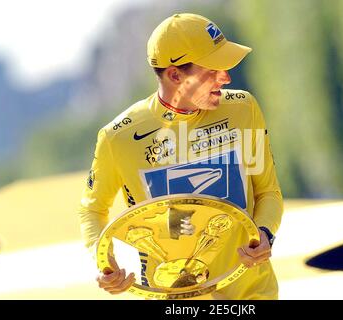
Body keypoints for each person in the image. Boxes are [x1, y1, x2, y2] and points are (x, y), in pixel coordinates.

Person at [78, 13, 284, 299]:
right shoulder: (118, 137)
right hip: (173, 297)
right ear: (176, 75)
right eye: (212, 69)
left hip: (251, 291)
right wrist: (104, 262)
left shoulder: (243, 108)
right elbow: (92, 210)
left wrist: (264, 233)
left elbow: (268, 191)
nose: (226, 77)